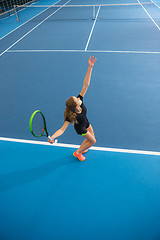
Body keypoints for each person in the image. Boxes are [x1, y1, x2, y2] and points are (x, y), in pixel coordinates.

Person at [48, 56, 97, 161]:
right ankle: (78, 152)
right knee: (93, 141)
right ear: (76, 106)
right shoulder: (70, 115)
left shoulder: (79, 101)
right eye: (77, 99)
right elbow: (62, 129)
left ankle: (82, 148)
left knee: (91, 138)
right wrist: (52, 137)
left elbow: (86, 85)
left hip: (86, 122)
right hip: (81, 129)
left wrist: (90, 67)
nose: (78, 98)